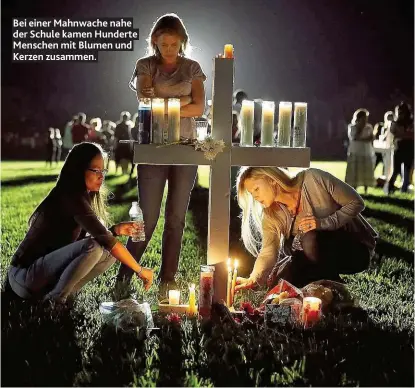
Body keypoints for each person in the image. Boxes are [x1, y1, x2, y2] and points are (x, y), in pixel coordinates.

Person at [117, 13, 206, 298]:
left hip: (186, 146)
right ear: (155, 41)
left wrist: (162, 102)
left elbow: (199, 108)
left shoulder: (193, 68)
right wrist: (182, 101)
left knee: (176, 218)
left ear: (182, 42)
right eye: (163, 43)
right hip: (153, 145)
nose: (168, 49)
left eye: (173, 43)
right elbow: (144, 101)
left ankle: (168, 278)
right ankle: (125, 275)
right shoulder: (145, 65)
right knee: (149, 218)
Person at [6, 143, 154, 303]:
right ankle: (56, 300)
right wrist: (140, 271)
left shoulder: (83, 197)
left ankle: (62, 293)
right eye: (96, 170)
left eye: (103, 171)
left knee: (106, 252)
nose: (101, 176)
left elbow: (96, 240)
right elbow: (102, 241)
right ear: (78, 169)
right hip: (24, 277)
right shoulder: (70, 197)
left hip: (42, 276)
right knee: (95, 247)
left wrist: (115, 230)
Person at [234, 167, 378, 291]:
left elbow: (356, 202)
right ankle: (329, 291)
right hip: (314, 259)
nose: (255, 196)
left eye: (256, 189)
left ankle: (333, 289)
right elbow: (268, 252)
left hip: (354, 250)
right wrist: (254, 277)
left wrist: (323, 223)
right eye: (251, 193)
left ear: (271, 179)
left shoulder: (313, 179)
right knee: (285, 280)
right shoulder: (272, 214)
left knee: (308, 239)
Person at [386, 102, 414, 194]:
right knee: (396, 170)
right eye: (398, 112)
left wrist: (404, 134)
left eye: (401, 112)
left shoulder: (411, 122)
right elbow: (394, 133)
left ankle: (404, 189)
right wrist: (405, 134)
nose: (399, 114)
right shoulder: (395, 123)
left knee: (407, 170)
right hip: (399, 147)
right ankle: (390, 189)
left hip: (409, 147)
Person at [345, 109, 375, 194]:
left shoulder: (369, 127)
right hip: (355, 152)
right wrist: (360, 128)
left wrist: (366, 139)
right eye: (363, 118)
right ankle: (354, 189)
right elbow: (354, 137)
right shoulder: (352, 126)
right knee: (355, 171)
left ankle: (366, 190)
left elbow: (371, 137)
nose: (365, 120)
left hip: (366, 152)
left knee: (366, 170)